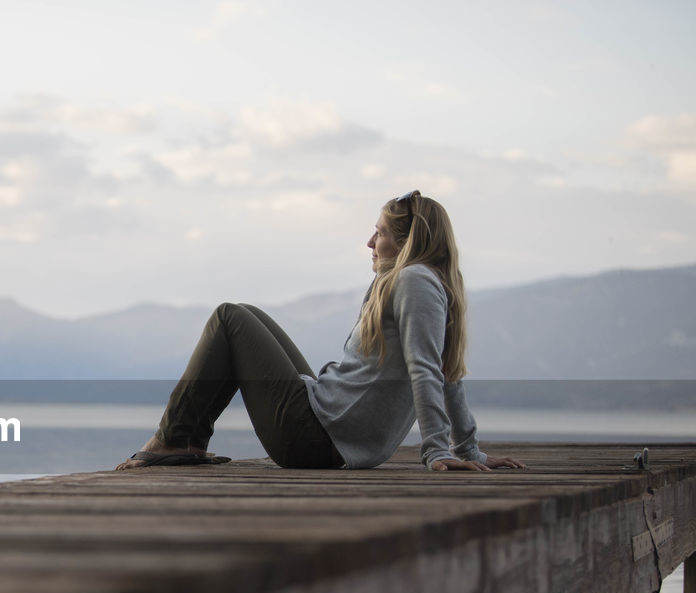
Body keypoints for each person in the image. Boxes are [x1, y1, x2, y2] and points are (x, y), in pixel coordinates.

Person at [116, 191, 525, 472]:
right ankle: (184, 442)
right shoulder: (429, 283)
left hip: (316, 440)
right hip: (330, 432)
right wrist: (468, 449)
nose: (370, 241)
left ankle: (174, 440)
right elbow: (445, 372)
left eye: (380, 233)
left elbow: (428, 370)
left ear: (405, 242)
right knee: (246, 313)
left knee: (228, 318)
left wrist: (437, 450)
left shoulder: (413, 281)